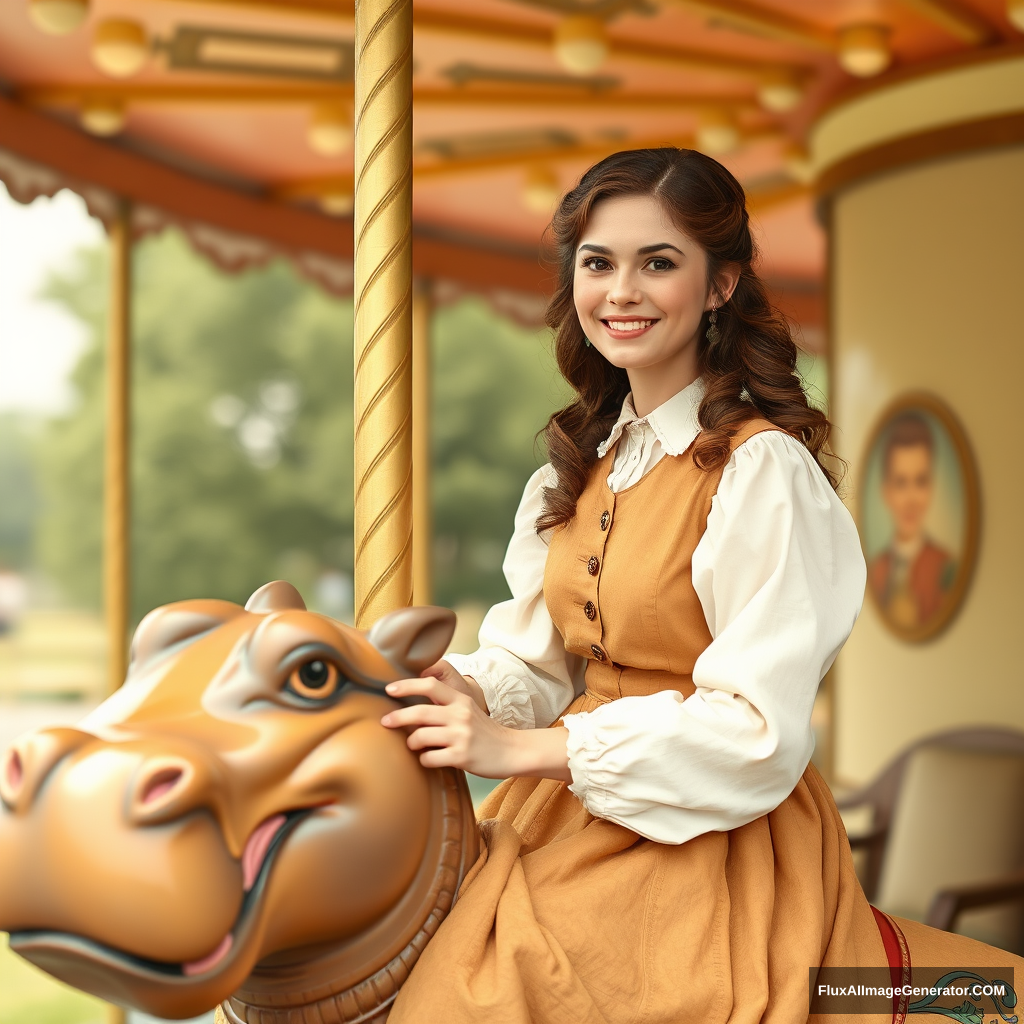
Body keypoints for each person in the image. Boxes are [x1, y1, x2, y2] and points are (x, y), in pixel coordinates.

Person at [379, 148, 1021, 1023]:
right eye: (598, 263)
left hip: (711, 829)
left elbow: (756, 730)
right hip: (563, 809)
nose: (621, 292)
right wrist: (459, 691)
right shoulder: (573, 473)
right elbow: (536, 668)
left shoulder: (760, 471)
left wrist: (526, 751)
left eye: (659, 263)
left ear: (720, 286)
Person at [868, 413, 956, 630]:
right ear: (886, 491)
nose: (911, 500)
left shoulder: (946, 568)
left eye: (920, 481)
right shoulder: (875, 570)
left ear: (931, 488)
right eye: (901, 483)